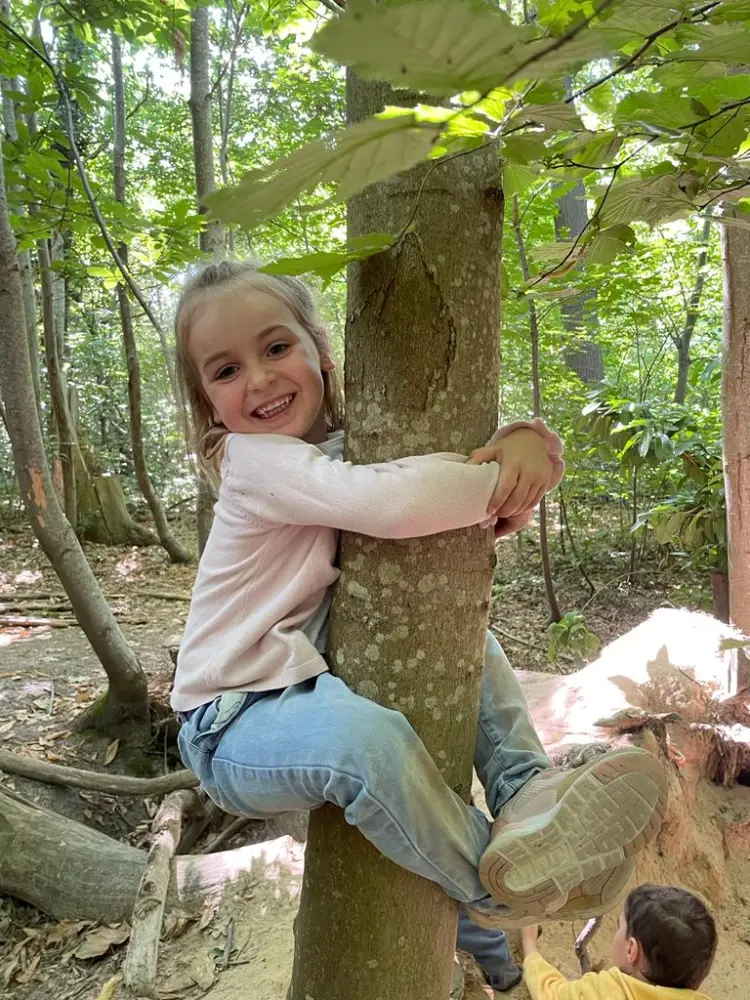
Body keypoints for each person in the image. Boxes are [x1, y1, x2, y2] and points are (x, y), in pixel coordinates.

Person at [170, 259, 668, 940]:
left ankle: (527, 796)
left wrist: (525, 444)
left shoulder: (340, 451)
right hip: (230, 724)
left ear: (319, 347)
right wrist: (503, 481)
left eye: (276, 347)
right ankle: (494, 887)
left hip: (305, 683)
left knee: (463, 631)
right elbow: (395, 501)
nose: (257, 378)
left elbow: (439, 483)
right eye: (224, 371)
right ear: (207, 403)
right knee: (364, 745)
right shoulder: (253, 462)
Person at [520, 883, 717, 999]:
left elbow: (550, 993)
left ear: (631, 950)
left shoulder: (604, 991)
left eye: (618, 926)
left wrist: (530, 947)